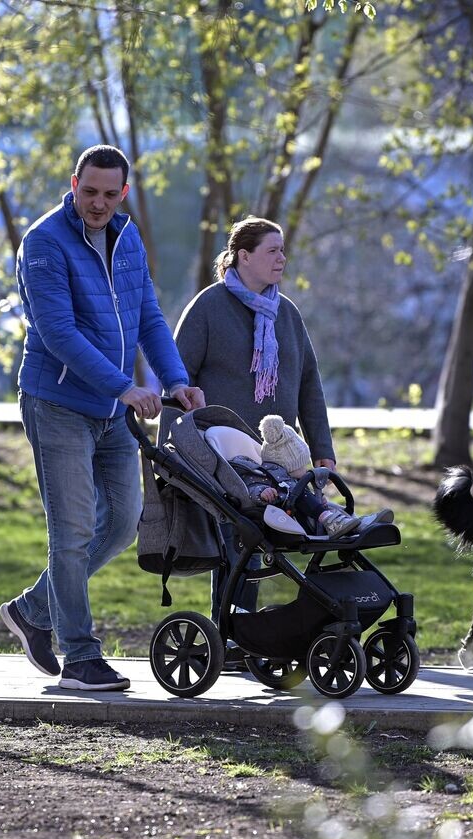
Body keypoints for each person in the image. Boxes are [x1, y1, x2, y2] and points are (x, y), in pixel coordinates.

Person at [0, 145, 205, 692]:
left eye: (108, 194)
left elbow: (147, 316)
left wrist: (176, 379)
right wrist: (126, 387)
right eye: (88, 191)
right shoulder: (44, 244)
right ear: (74, 183)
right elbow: (59, 333)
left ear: (124, 194)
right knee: (70, 532)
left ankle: (32, 610)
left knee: (121, 522)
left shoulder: (126, 236)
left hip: (113, 409)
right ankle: (80, 658)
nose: (97, 203)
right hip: (58, 405)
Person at [173, 216, 335, 669]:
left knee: (289, 537)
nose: (282, 258)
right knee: (238, 542)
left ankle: (268, 633)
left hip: (280, 453)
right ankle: (231, 637)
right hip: (225, 452)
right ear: (243, 256)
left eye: (283, 250)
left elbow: (309, 385)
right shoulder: (209, 307)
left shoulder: (287, 314)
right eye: (272, 251)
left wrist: (322, 447)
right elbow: (176, 375)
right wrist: (179, 441)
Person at [230, 415, 361, 538]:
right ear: (286, 465)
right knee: (299, 495)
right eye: (300, 466)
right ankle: (333, 521)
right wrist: (262, 492)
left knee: (321, 502)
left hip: (305, 515)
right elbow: (250, 487)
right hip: (286, 517)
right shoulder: (266, 475)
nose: (305, 470)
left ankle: (353, 521)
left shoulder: (293, 479)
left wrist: (318, 499)